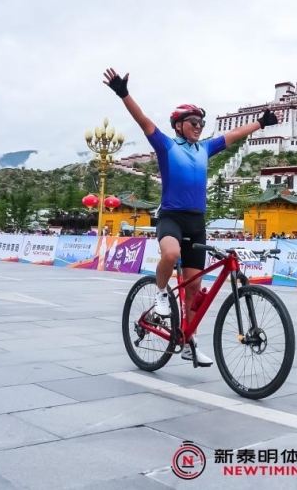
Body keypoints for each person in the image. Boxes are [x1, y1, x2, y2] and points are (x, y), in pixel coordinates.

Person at [104, 67, 278, 367]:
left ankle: (188, 341)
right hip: (171, 218)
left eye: (201, 123)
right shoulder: (166, 145)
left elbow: (234, 135)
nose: (199, 127)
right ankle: (160, 294)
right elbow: (143, 120)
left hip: (197, 223)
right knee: (170, 254)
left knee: (194, 289)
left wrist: (260, 123)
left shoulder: (204, 149)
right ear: (179, 125)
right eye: (193, 122)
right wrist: (124, 94)